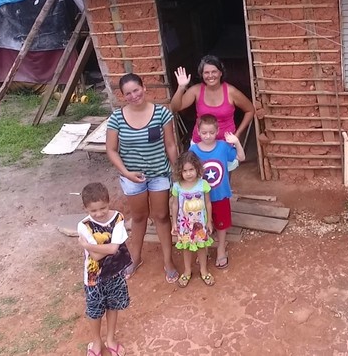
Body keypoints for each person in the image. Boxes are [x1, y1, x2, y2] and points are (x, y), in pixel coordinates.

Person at [105, 73, 179, 284]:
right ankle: (135, 258)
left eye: (136, 90)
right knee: (139, 217)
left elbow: (171, 145)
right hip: (132, 177)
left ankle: (168, 260)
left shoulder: (161, 114)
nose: (134, 95)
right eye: (128, 93)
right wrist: (126, 173)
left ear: (144, 88)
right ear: (123, 96)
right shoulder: (117, 118)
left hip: (159, 174)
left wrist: (179, 170)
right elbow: (111, 150)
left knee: (162, 216)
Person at [171, 55, 255, 168]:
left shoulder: (231, 92)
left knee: (223, 177)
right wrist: (181, 88)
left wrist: (238, 133)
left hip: (225, 144)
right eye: (206, 72)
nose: (210, 76)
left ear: (220, 73)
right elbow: (175, 107)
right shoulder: (196, 90)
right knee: (200, 179)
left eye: (214, 71)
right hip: (200, 143)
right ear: (202, 74)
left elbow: (250, 110)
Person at [77, 182, 131, 356]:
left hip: (115, 273)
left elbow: (113, 249)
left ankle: (110, 339)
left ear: (109, 202)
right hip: (94, 277)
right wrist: (104, 248)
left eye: (103, 208)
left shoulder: (118, 218)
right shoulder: (83, 225)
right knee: (95, 311)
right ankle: (97, 342)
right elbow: (96, 257)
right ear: (86, 208)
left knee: (113, 305)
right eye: (93, 211)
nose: (99, 213)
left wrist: (87, 245)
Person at [189, 114, 246, 270]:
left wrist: (237, 142)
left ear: (217, 131)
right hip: (199, 197)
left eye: (211, 133)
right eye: (204, 133)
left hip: (220, 194)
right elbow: (187, 171)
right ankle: (204, 248)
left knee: (221, 224)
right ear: (198, 132)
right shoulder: (193, 150)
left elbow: (241, 157)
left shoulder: (223, 146)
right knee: (201, 223)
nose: (208, 136)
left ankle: (221, 248)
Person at [170, 151, 215, 287]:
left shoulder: (203, 184)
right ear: (180, 171)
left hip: (200, 224)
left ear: (197, 168)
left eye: (191, 169)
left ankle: (203, 270)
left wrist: (209, 221)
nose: (188, 173)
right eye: (185, 171)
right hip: (184, 225)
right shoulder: (177, 186)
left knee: (202, 247)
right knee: (186, 248)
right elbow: (175, 204)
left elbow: (208, 203)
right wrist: (174, 223)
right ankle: (187, 271)